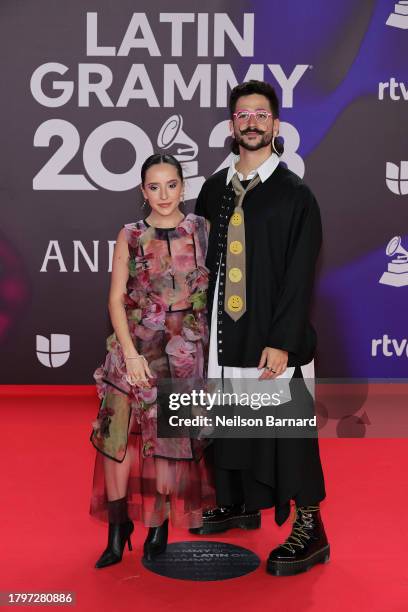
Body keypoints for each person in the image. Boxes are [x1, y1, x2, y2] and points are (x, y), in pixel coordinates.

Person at [193, 80, 330, 576]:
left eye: (260, 114)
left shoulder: (295, 196)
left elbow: (300, 274)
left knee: (286, 432)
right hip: (224, 332)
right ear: (232, 126)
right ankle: (238, 502)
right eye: (242, 114)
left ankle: (311, 528)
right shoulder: (211, 190)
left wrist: (283, 342)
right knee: (226, 419)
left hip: (273, 336)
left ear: (274, 125)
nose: (251, 122)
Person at [89, 153, 215, 568]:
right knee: (115, 438)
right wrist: (128, 354)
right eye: (154, 187)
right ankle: (117, 525)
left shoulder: (202, 229)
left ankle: (157, 523)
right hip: (132, 346)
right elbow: (114, 297)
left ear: (184, 186)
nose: (164, 195)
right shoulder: (128, 235)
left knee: (167, 445)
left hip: (181, 353)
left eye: (171, 185)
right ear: (143, 192)